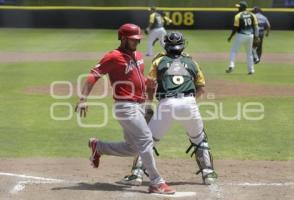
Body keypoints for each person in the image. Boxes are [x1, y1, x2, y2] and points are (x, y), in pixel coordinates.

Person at [75, 23, 175, 195]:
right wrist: (83, 98)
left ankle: (98, 147)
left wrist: (148, 88)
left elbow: (137, 78)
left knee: (134, 148)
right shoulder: (113, 56)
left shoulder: (137, 55)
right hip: (125, 106)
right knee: (145, 139)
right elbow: (94, 75)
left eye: (138, 40)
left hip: (140, 105)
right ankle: (156, 182)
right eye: (133, 40)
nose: (137, 43)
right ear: (123, 38)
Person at [119, 31, 218, 186]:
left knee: (148, 141)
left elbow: (150, 84)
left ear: (166, 45)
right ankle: (208, 174)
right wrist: (188, 101)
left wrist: (148, 104)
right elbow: (201, 88)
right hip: (189, 103)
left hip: (166, 104)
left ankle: (137, 174)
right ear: (182, 45)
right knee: (199, 139)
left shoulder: (159, 61)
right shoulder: (192, 62)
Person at [226, 1, 259, 75]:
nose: (237, 8)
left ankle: (231, 65)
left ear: (242, 7)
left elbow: (235, 28)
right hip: (250, 36)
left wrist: (231, 36)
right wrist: (256, 37)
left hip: (241, 35)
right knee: (249, 53)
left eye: (239, 7)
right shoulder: (252, 15)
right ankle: (251, 70)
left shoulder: (238, 16)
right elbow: (256, 27)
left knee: (233, 51)